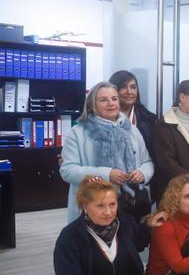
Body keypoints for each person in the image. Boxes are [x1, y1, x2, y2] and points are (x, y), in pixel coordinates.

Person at [60, 81, 154, 223]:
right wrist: (106, 174)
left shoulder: (132, 129)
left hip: (130, 206)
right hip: (92, 206)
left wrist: (142, 173)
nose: (111, 103)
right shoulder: (78, 132)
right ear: (92, 105)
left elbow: (147, 162)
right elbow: (67, 170)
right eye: (103, 100)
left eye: (114, 99)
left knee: (129, 242)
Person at [108, 70, 158, 160]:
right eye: (123, 87)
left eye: (133, 87)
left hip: (144, 171)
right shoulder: (103, 119)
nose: (129, 92)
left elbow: (154, 156)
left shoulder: (150, 119)